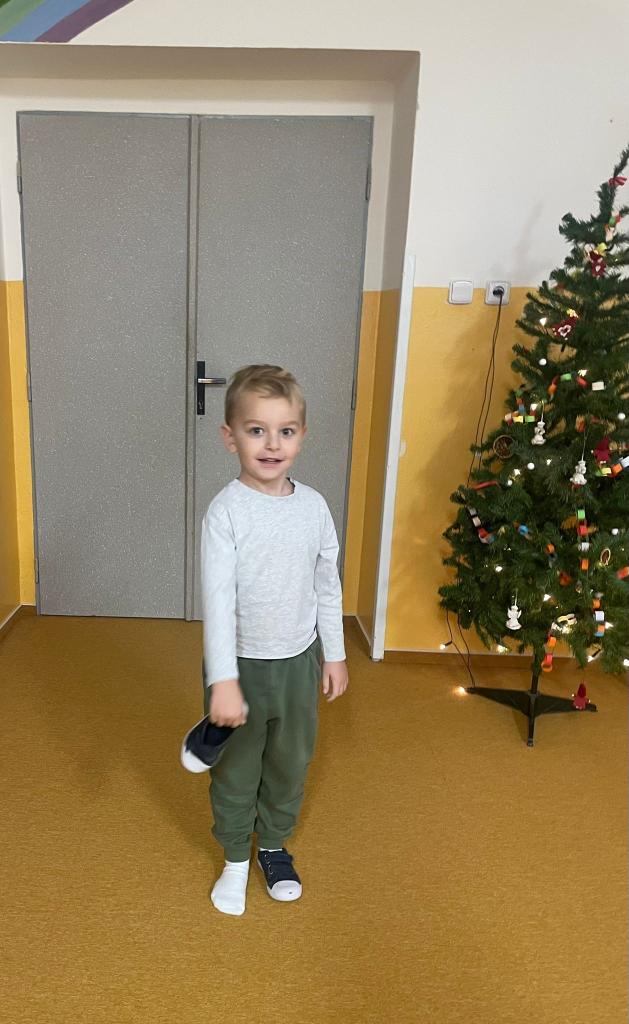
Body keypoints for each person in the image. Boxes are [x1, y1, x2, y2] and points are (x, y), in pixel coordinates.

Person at [200, 364, 349, 916]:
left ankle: (273, 846)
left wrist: (334, 653)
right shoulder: (226, 512)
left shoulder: (314, 507)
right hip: (240, 664)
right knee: (237, 767)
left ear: (302, 436)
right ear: (230, 437)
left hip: (298, 662)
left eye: (285, 431)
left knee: (290, 761)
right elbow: (217, 602)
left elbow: (326, 584)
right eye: (256, 430)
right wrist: (223, 681)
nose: (271, 444)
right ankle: (236, 857)